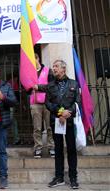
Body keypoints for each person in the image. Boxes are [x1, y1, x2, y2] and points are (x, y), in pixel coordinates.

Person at [45, 60, 81, 189]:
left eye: (56, 66)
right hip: (56, 121)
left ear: (63, 69)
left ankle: (73, 178)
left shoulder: (74, 84)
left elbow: (77, 102)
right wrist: (60, 112)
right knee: (58, 150)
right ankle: (59, 177)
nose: (54, 69)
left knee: (71, 149)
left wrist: (68, 112)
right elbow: (47, 103)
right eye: (53, 66)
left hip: (70, 122)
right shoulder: (50, 86)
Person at [31, 53, 55, 158]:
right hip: (35, 102)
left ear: (38, 59)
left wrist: (39, 87)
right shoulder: (29, 72)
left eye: (34, 59)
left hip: (48, 102)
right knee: (37, 127)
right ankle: (38, 148)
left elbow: (52, 86)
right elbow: (26, 89)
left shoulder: (47, 71)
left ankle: (52, 147)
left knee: (50, 126)